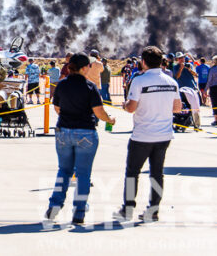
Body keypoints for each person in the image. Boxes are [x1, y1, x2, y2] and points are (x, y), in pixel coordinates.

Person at [44, 52, 116, 226]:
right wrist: (109, 119)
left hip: (64, 131)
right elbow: (99, 111)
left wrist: (69, 115)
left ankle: (55, 205)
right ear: (84, 68)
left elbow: (57, 108)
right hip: (86, 132)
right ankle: (79, 211)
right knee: (83, 174)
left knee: (64, 170)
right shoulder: (90, 87)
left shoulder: (61, 85)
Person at [112, 46, 182, 223]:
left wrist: (125, 105)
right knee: (157, 173)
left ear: (143, 62)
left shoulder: (139, 81)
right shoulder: (171, 82)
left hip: (142, 135)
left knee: (132, 173)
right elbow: (177, 108)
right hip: (164, 135)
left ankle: (128, 208)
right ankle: (154, 209)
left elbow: (131, 108)